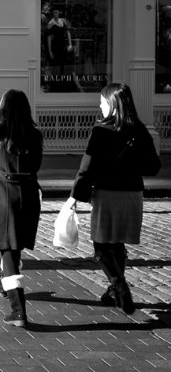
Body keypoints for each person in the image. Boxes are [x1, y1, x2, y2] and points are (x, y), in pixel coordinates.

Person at [69, 82, 160, 314]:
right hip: (132, 193)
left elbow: (86, 168)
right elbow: (153, 166)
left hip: (107, 193)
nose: (99, 105)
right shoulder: (140, 130)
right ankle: (113, 290)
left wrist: (75, 196)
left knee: (101, 245)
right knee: (117, 242)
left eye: (102, 101)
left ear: (111, 103)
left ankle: (119, 284)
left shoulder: (100, 131)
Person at [0, 89, 43, 328]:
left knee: (8, 251)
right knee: (14, 249)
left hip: (3, 197)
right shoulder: (35, 136)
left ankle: (18, 310)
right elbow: (36, 166)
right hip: (27, 196)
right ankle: (4, 277)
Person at [46, 9, 73, 75]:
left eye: (57, 12)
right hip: (55, 46)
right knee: (56, 64)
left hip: (63, 45)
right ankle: (56, 80)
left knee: (64, 63)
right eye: (54, 12)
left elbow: (68, 32)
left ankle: (63, 79)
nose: (56, 14)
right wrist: (50, 51)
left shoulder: (62, 21)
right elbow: (48, 38)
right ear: (52, 14)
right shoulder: (50, 23)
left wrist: (70, 44)